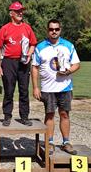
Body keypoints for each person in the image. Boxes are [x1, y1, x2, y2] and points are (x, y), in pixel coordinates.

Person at [31, 19, 80, 155]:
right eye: (51, 29)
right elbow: (34, 68)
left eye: (56, 29)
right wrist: (35, 87)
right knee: (50, 115)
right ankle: (50, 142)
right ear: (47, 30)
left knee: (64, 114)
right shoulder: (40, 47)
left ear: (60, 30)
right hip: (48, 88)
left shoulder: (68, 45)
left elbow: (76, 64)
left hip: (65, 88)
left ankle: (66, 142)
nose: (54, 32)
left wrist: (69, 71)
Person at [0, 1, 37, 126]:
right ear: (11, 13)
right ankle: (7, 116)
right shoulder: (5, 28)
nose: (20, 13)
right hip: (8, 62)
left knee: (24, 90)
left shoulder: (27, 27)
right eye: (17, 11)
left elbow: (33, 44)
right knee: (9, 90)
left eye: (21, 11)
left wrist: (29, 54)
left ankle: (24, 117)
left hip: (23, 62)